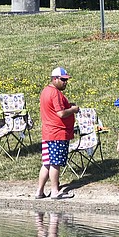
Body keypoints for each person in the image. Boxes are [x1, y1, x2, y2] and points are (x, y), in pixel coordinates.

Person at [34, 67, 79, 200]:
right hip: (57, 133)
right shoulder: (55, 93)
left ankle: (40, 191)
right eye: (63, 80)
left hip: (47, 133)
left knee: (46, 163)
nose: (66, 82)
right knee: (55, 162)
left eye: (66, 80)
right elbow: (60, 113)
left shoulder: (45, 91)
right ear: (54, 79)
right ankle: (55, 191)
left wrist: (68, 106)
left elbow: (54, 108)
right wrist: (73, 109)